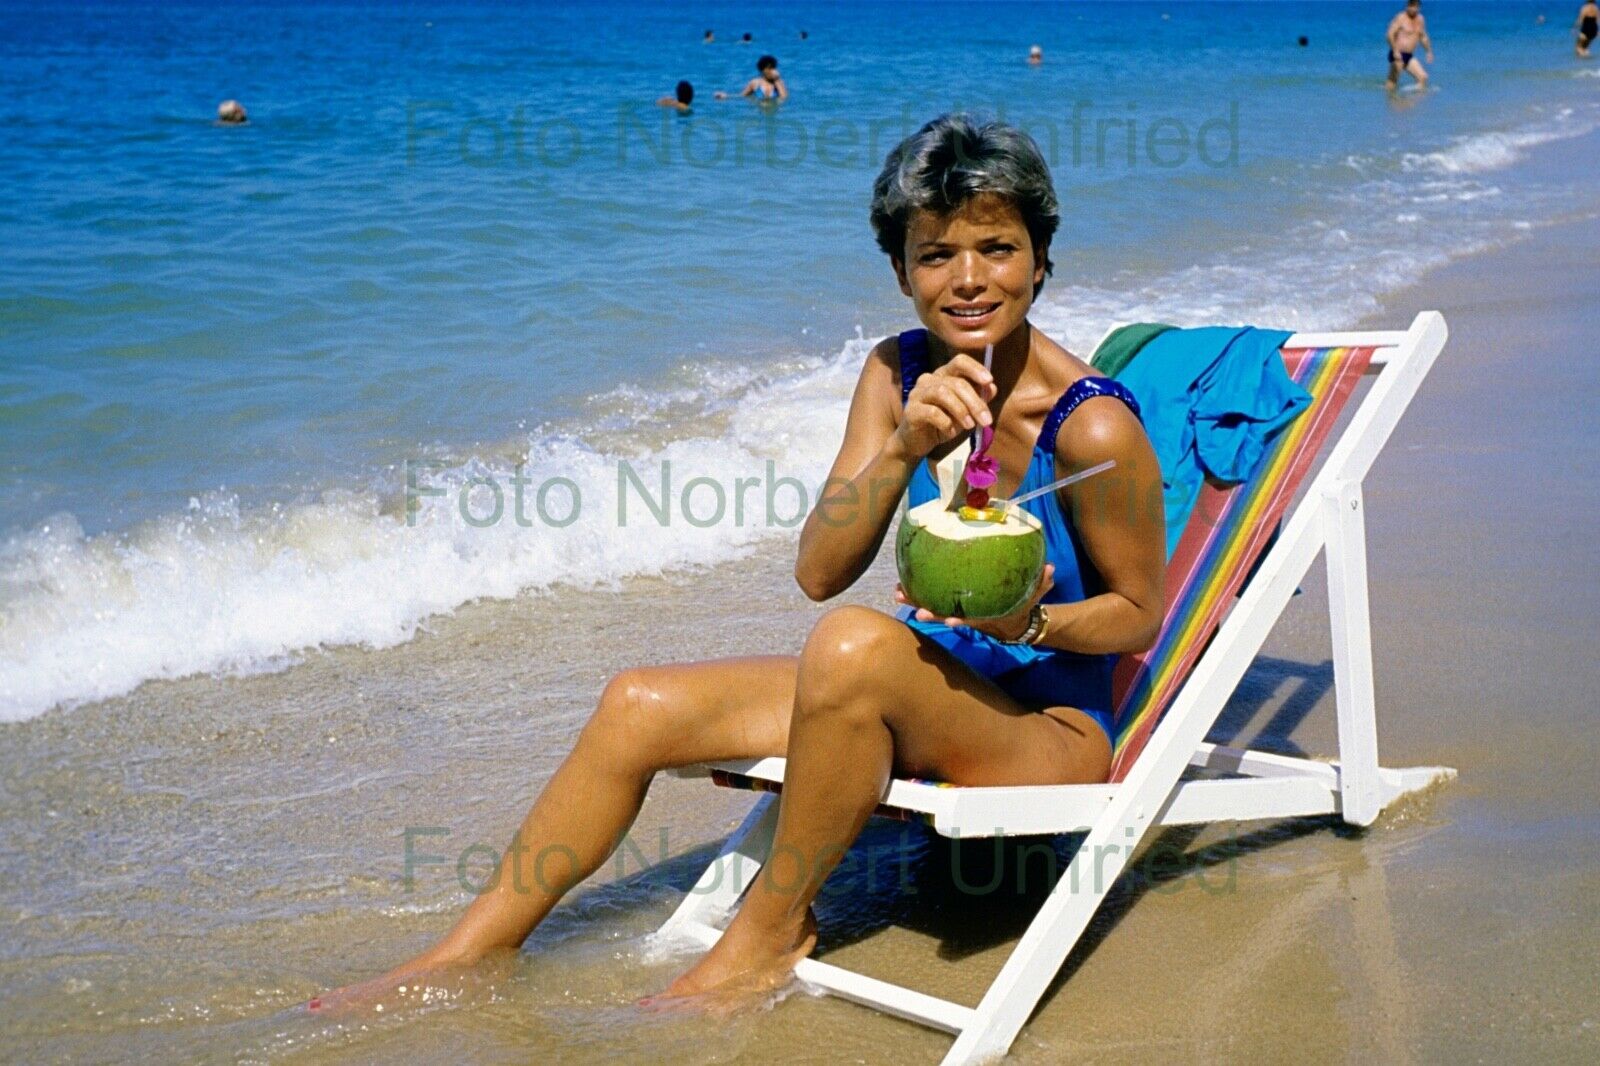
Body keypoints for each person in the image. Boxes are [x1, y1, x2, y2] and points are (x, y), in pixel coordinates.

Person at [308, 114, 1164, 1014]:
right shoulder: (896, 373)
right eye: (935, 254)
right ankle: (469, 950)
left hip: (1050, 734)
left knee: (849, 646)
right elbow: (819, 568)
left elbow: (1139, 612)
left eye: (997, 247)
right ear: (901, 271)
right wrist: (903, 448)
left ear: (1041, 260)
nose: (969, 279)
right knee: (636, 705)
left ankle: (767, 933)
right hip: (929, 689)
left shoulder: (1091, 424)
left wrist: (1024, 622)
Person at [1385, 0, 1434, 90]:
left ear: (1419, 7)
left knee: (1423, 78)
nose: (1413, 9)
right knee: (1392, 84)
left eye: (1415, 6)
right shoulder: (1401, 18)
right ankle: (1389, 102)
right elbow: (1389, 34)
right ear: (1407, 6)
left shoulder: (1420, 19)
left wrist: (1428, 51)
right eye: (1411, 6)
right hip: (1398, 55)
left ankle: (1409, 102)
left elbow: (1423, 36)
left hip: (1409, 56)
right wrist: (1395, 51)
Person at [715, 54, 787, 101]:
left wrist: (777, 80)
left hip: (774, 114)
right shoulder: (755, 82)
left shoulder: (779, 82)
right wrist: (726, 96)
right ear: (762, 69)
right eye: (769, 68)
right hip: (759, 113)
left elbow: (784, 98)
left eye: (773, 68)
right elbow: (742, 95)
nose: (772, 70)